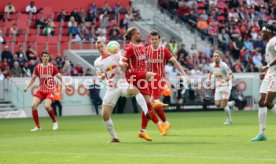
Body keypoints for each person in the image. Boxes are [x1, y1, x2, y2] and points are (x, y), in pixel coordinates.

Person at [94, 40, 152, 143]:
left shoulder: (116, 54)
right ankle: (115, 138)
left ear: (106, 46)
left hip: (122, 82)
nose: (100, 49)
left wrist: (122, 65)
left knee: (134, 89)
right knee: (105, 115)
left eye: (101, 46)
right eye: (98, 48)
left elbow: (122, 61)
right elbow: (99, 76)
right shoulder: (97, 62)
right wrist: (101, 76)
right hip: (111, 88)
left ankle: (146, 111)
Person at [122, 27, 168, 141]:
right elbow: (122, 60)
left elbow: (144, 61)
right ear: (132, 35)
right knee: (156, 75)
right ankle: (157, 101)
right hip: (133, 75)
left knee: (148, 106)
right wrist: (122, 64)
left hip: (141, 77)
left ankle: (143, 131)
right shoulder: (129, 47)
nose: (140, 35)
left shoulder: (142, 46)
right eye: (138, 33)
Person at [145, 31, 188, 135]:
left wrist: (183, 73)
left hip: (159, 79)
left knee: (153, 102)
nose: (154, 41)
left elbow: (175, 62)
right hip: (147, 80)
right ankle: (165, 123)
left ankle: (158, 124)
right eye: (152, 39)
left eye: (156, 39)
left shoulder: (163, 50)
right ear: (150, 40)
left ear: (159, 40)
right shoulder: (146, 50)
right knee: (151, 104)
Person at [23, 51, 70, 132]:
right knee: (33, 105)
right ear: (41, 57)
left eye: (47, 56)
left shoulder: (52, 67)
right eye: (44, 56)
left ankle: (55, 122)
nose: (46, 58)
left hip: (50, 91)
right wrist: (27, 87)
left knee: (47, 106)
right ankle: (38, 127)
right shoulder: (38, 67)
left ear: (49, 58)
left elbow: (60, 77)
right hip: (41, 91)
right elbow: (33, 79)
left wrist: (66, 85)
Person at [251, 24, 276, 141]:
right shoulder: (269, 43)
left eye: (263, 31)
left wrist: (267, 66)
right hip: (269, 74)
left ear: (269, 32)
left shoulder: (274, 41)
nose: (261, 33)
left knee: (268, 102)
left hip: (275, 75)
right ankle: (262, 133)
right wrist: (266, 71)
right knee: (261, 101)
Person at [207, 50, 235, 125]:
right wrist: (208, 80)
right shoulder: (211, 66)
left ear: (220, 57)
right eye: (214, 56)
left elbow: (231, 75)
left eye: (217, 56)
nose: (216, 57)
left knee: (224, 105)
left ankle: (229, 120)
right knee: (217, 104)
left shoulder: (224, 65)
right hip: (218, 87)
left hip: (226, 86)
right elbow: (210, 73)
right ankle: (230, 103)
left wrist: (224, 81)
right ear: (213, 58)